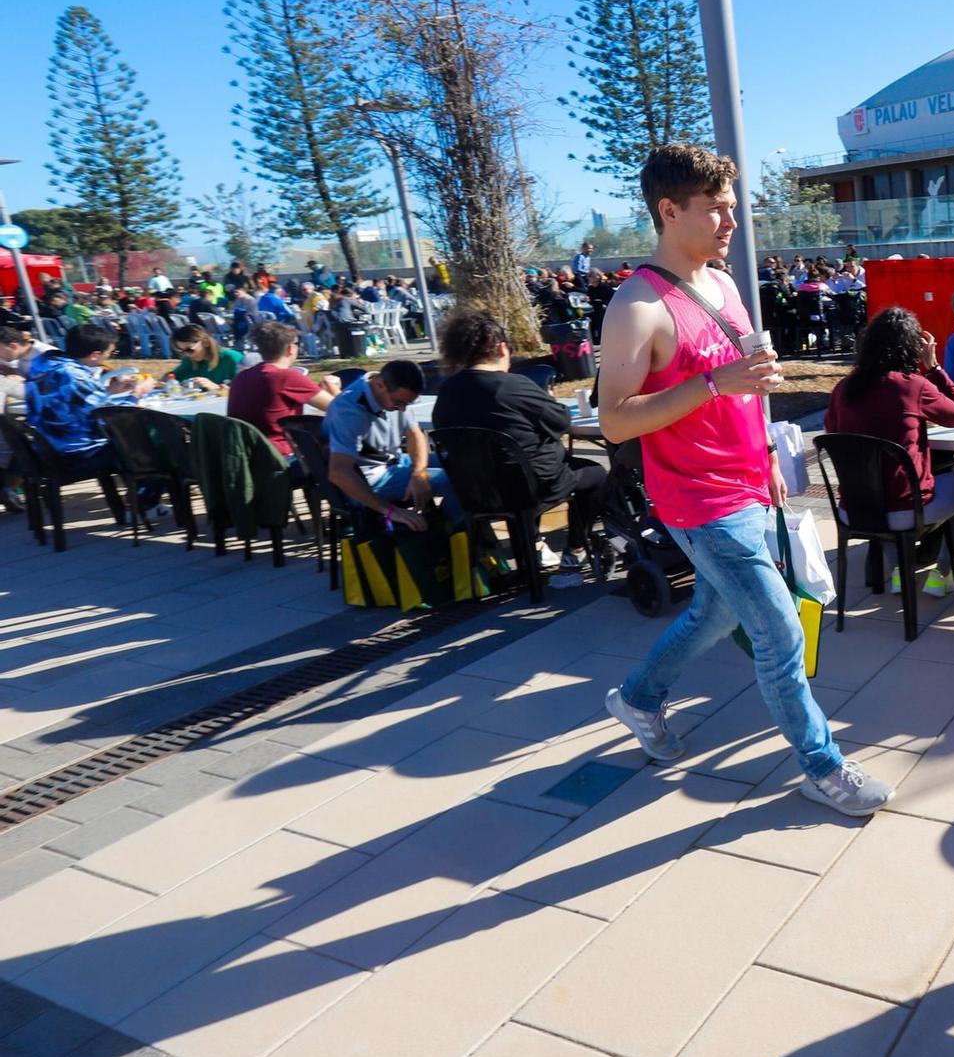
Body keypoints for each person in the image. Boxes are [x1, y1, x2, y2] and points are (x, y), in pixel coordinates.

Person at [596, 142, 892, 817]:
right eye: (718, 210)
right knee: (781, 631)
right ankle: (824, 768)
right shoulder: (637, 305)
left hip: (748, 483)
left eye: (733, 207)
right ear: (670, 211)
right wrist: (712, 382)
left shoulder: (721, 282)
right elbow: (614, 421)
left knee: (715, 610)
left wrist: (764, 453)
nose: (733, 221)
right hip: (698, 501)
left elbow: (742, 388)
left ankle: (638, 698)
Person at [432, 308, 606, 580]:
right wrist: (545, 398)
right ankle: (574, 549)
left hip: (476, 492)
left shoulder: (446, 393)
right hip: (530, 488)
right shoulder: (512, 385)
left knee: (521, 466)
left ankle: (534, 544)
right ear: (502, 348)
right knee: (595, 473)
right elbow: (560, 421)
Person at [824, 307, 954, 597]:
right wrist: (933, 367)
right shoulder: (912, 386)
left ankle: (900, 572)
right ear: (911, 347)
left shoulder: (844, 388)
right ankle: (941, 573)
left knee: (886, 484)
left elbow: (833, 433)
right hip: (904, 510)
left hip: (853, 508)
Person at [21, 324, 165, 515]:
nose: (109, 357)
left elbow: (73, 402)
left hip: (48, 443)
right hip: (73, 453)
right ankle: (145, 505)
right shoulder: (73, 375)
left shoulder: (44, 364)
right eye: (109, 353)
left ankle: (140, 494)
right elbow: (111, 417)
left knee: (136, 440)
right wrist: (138, 393)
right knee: (154, 446)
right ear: (95, 355)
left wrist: (109, 391)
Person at [322, 358, 454, 530]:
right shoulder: (349, 412)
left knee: (459, 462)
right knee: (457, 480)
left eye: (408, 404)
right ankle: (448, 535)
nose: (402, 410)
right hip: (370, 479)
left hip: (395, 461)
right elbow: (338, 472)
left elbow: (415, 434)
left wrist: (419, 474)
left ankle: (443, 523)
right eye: (399, 403)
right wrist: (391, 511)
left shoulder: (393, 393)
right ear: (379, 385)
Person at [228, 322, 340, 460]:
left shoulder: (242, 376)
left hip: (248, 455)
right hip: (281, 456)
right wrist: (334, 386)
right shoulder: (286, 376)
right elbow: (339, 408)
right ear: (290, 349)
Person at [168, 325, 244, 391]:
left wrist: (216, 388)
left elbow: (247, 391)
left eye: (189, 350)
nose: (187, 354)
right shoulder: (190, 360)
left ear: (205, 342)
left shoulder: (232, 358)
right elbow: (172, 378)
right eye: (181, 351)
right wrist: (161, 383)